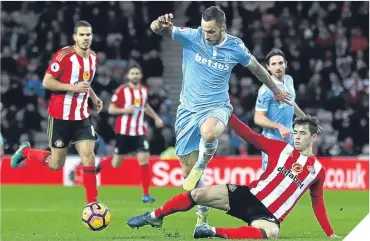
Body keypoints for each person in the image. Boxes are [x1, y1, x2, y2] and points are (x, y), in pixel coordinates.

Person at [150, 6, 291, 227]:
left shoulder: (236, 47)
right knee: (187, 173)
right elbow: (156, 29)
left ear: (222, 27)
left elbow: (257, 69)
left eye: (211, 32)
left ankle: (202, 164)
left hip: (217, 106)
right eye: (204, 30)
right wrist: (160, 23)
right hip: (187, 110)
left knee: (209, 131)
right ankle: (202, 214)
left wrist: (275, 90)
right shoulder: (192, 36)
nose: (206, 35)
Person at [127, 114, 340, 239]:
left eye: (302, 133)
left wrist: (330, 234)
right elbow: (250, 135)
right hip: (247, 196)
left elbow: (317, 202)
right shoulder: (280, 148)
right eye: (295, 132)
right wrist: (228, 115)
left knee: (272, 233)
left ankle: (210, 231)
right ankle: (154, 216)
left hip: (268, 216)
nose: (297, 137)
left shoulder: (317, 171)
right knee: (198, 194)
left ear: (313, 137)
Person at [10, 21, 103, 204]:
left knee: (89, 157)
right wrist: (71, 88)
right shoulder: (63, 55)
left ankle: (92, 204)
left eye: (88, 35)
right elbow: (47, 82)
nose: (85, 38)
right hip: (60, 116)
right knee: (56, 164)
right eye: (82, 35)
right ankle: (26, 151)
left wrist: (93, 97)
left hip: (82, 116)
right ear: (74, 37)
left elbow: (85, 83)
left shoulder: (93, 57)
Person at [96, 65, 163, 203]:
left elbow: (145, 106)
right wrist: (126, 110)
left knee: (144, 160)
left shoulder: (144, 90)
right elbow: (111, 110)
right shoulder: (122, 90)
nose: (135, 75)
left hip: (139, 131)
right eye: (132, 73)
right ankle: (102, 164)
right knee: (116, 163)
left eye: (137, 73)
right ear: (128, 76)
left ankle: (146, 195)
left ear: (141, 75)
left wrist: (156, 118)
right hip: (124, 132)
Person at [254, 49, 307, 171]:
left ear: (286, 64)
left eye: (280, 63)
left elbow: (291, 103)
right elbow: (258, 118)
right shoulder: (266, 90)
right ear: (268, 67)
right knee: (271, 181)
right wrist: (279, 126)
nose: (278, 67)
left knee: (290, 179)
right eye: (273, 64)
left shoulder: (289, 80)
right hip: (272, 141)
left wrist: (306, 119)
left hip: (290, 139)